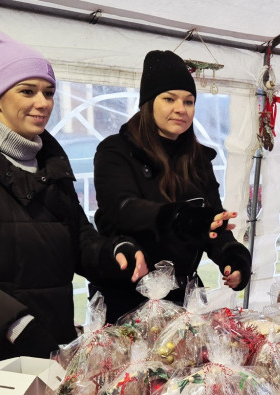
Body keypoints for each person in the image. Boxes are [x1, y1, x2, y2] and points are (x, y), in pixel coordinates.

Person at [0, 32, 147, 390]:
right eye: (27, 91)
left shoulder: (47, 162)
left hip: (46, 343)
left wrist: (114, 252)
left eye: (49, 92)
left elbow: (76, 237)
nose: (42, 102)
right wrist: (17, 326)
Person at [93, 50, 251, 322]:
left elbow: (212, 223)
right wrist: (180, 217)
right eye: (169, 99)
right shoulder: (115, 151)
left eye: (189, 102)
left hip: (184, 297)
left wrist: (233, 257)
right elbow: (122, 208)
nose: (181, 109)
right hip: (127, 295)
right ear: (149, 103)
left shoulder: (198, 160)